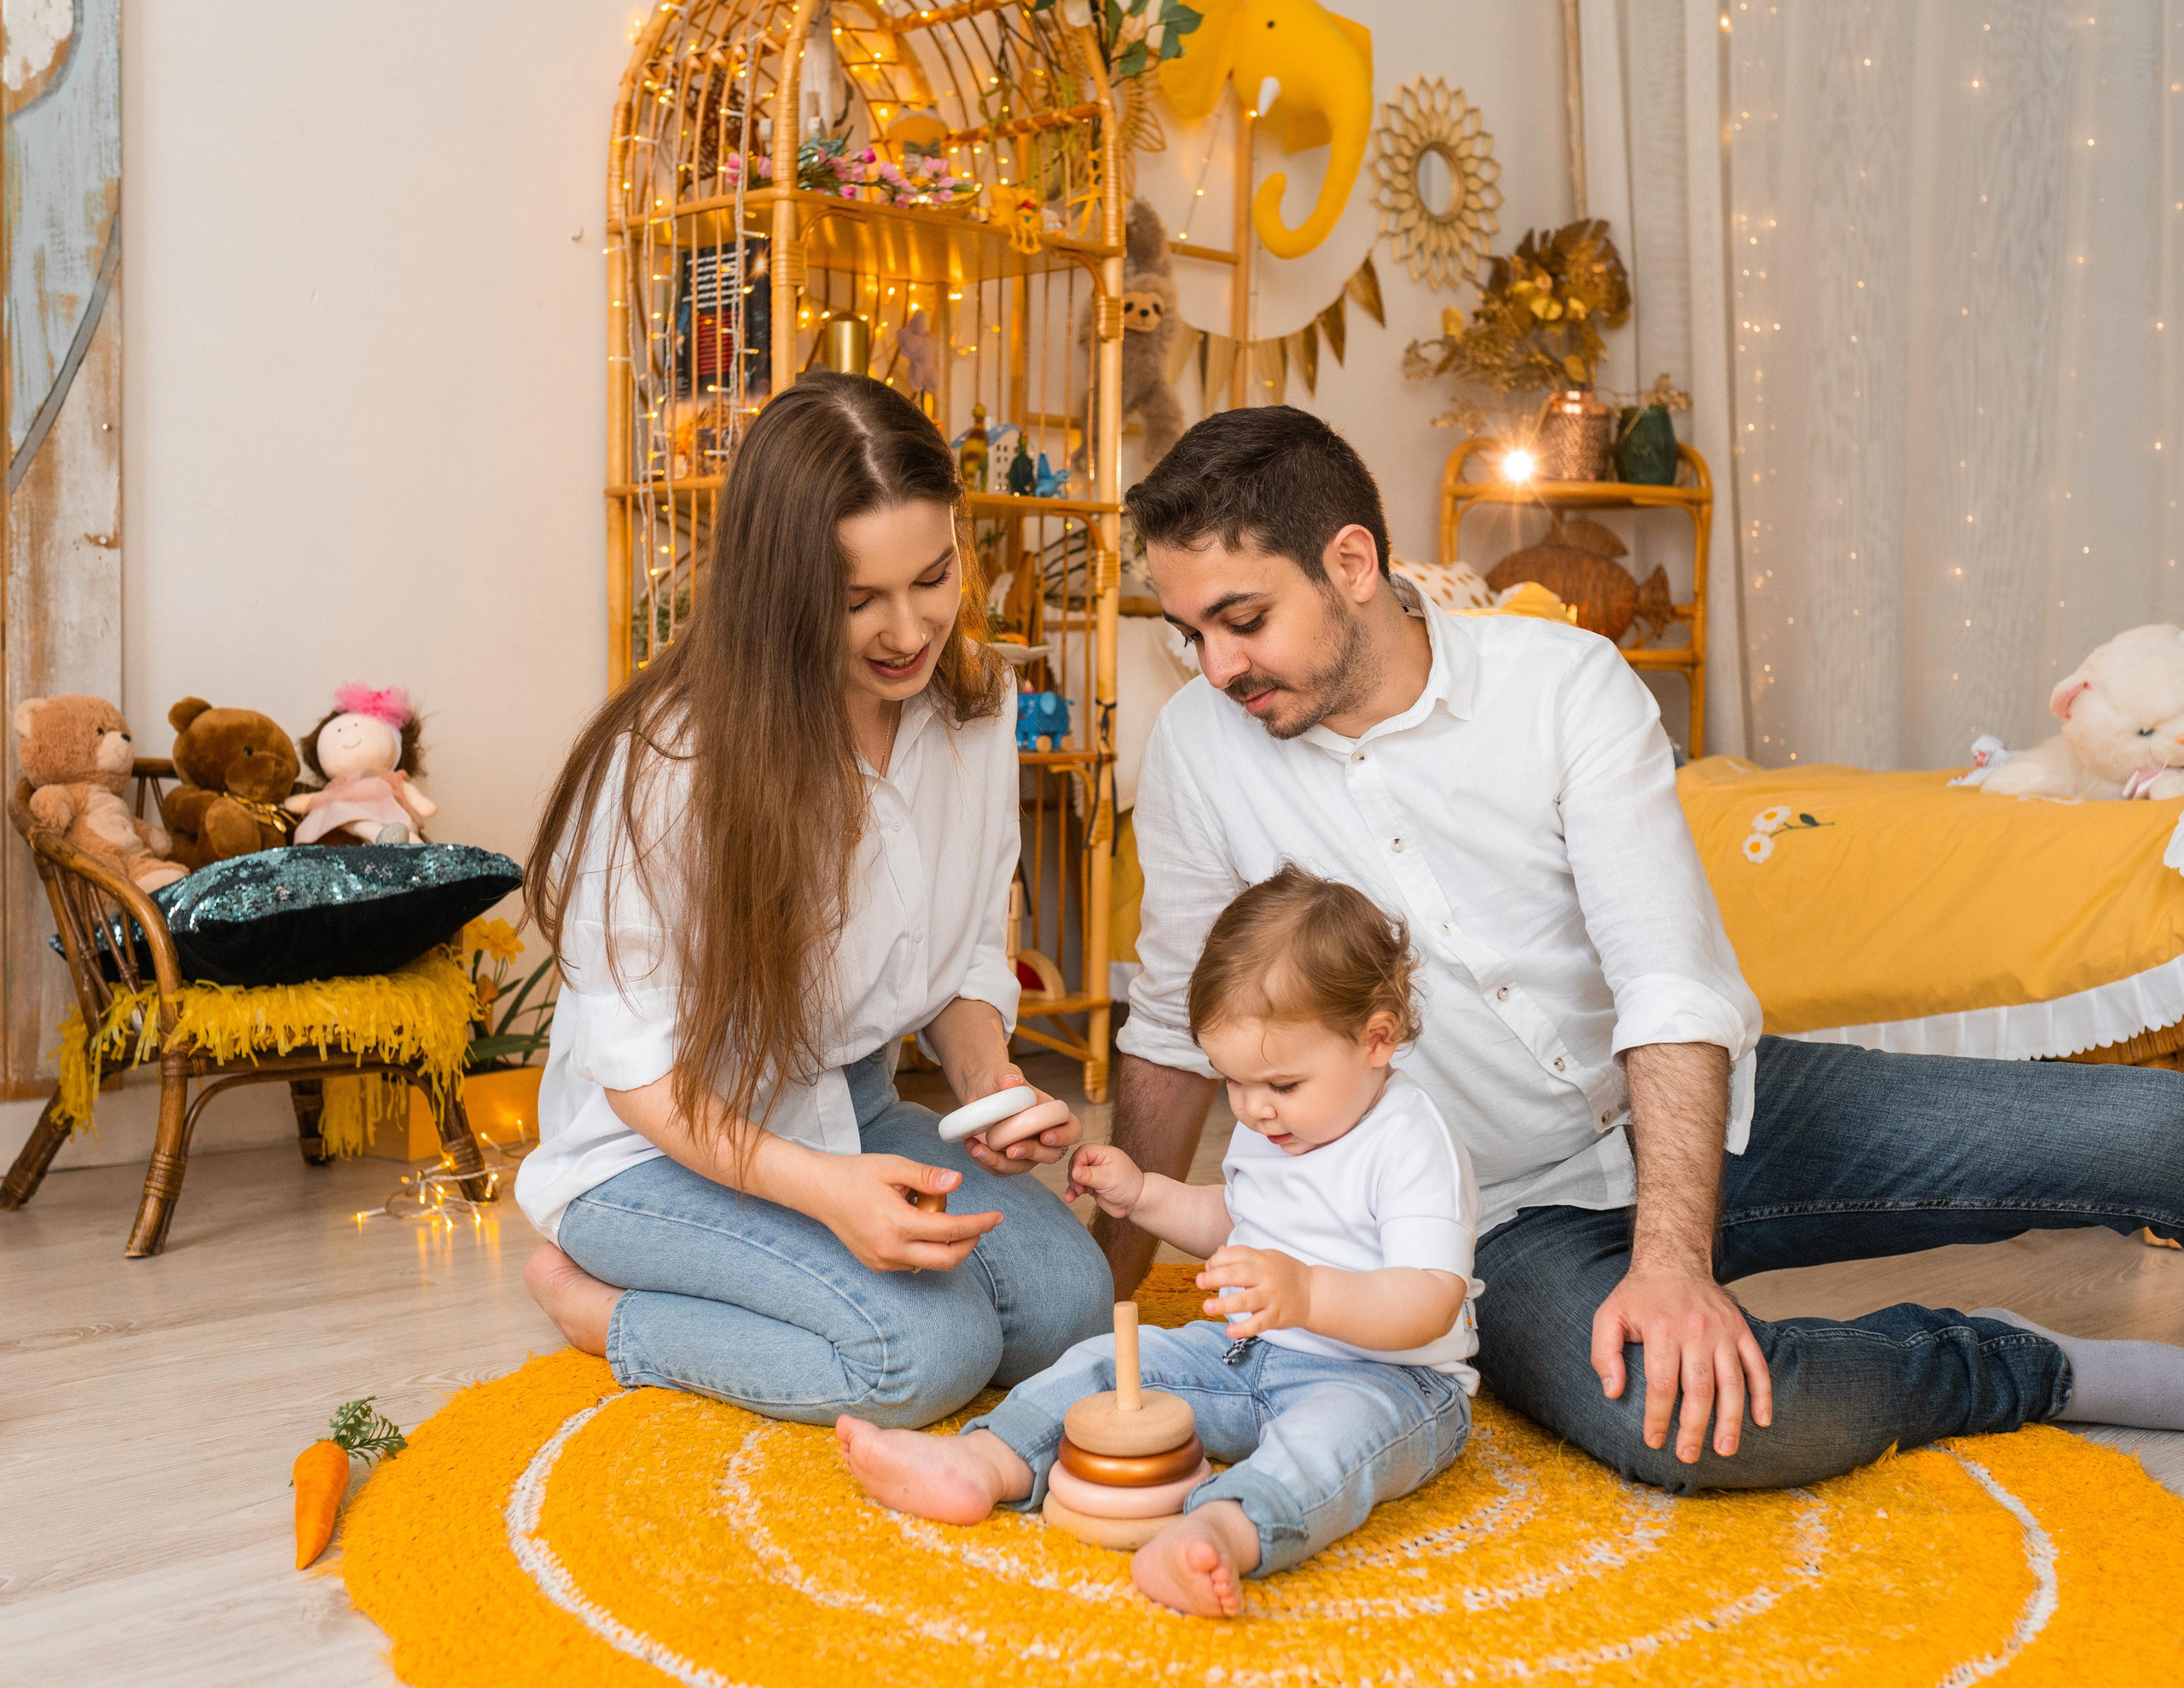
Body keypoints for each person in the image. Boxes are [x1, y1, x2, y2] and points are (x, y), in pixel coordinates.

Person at [1100, 403, 2184, 1494]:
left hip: (1728, 1110)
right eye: (1186, 632)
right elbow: (1169, 1026)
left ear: (1351, 562)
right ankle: (2016, 1361)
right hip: (1501, 1218)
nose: (1216, 665)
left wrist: (1672, 1261)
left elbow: (1666, 979)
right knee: (1700, 1428)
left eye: (1242, 619)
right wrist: (1109, 1285)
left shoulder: (1560, 682)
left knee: (2153, 1133)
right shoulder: (1200, 747)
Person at [515, 372, 1110, 1427]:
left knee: (1071, 1304)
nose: (907, 629)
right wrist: (827, 1194)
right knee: (925, 1356)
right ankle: (602, 1311)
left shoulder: (975, 710)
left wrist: (989, 1086)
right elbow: (643, 1081)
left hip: (856, 1103)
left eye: (933, 577)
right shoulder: (673, 758)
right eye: (856, 600)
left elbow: (968, 944)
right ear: (779, 589)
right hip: (654, 1148)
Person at [837, 865, 1479, 1617]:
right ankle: (988, 1459)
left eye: (1280, 1086)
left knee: (1325, 1449)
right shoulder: (1275, 1119)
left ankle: (1221, 1529)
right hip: (1245, 1354)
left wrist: (1307, 1293)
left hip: (1389, 1381)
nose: (1254, 1109)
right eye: (1233, 1082)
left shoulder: (1410, 1139)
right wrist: (1143, 1194)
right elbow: (1234, 1220)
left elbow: (1431, 1299)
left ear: (1377, 1039)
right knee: (1108, 1365)